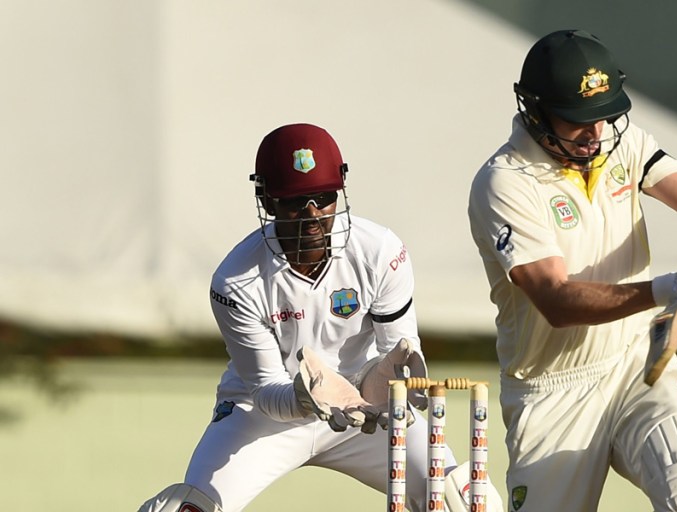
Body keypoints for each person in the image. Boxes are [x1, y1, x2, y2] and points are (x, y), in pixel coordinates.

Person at [468, 30, 677, 511]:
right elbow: (556, 300)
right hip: (552, 393)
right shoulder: (504, 182)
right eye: (579, 120)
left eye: (605, 117)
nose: (596, 132)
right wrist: (672, 288)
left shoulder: (621, 145)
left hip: (636, 363)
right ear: (537, 110)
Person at [140, 123, 501, 512]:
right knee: (183, 510)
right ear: (268, 201)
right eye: (295, 202)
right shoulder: (236, 280)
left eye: (323, 198)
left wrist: (386, 378)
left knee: (461, 501)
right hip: (264, 418)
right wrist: (305, 395)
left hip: (365, 412)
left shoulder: (379, 251)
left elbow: (397, 347)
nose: (311, 215)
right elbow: (265, 392)